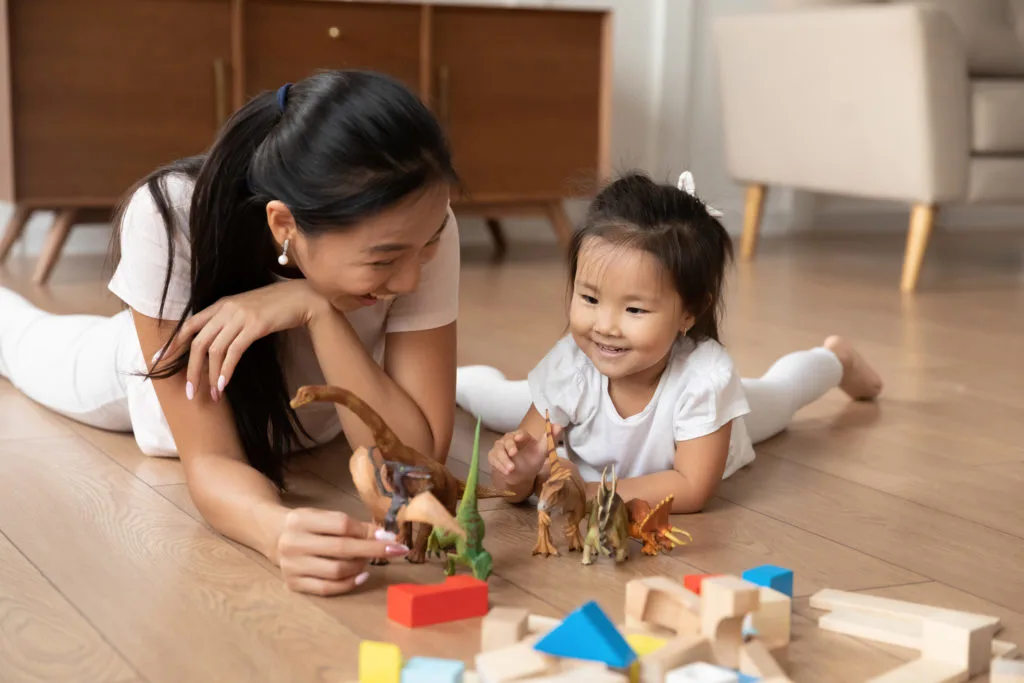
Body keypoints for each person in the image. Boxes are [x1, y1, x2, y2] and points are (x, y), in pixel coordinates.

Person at [0, 70, 463, 596]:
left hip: (315, 421)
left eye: (426, 247)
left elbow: (416, 459)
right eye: (384, 259)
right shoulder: (171, 213)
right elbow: (213, 457)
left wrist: (317, 311)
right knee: (16, 338)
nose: (409, 280)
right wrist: (276, 529)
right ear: (284, 225)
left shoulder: (421, 222)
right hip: (143, 384)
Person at [456, 171, 883, 513]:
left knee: (781, 393)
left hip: (710, 434)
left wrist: (588, 493)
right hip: (589, 429)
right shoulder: (573, 363)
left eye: (634, 310)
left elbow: (691, 487)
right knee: (498, 403)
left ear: (689, 313)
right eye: (589, 298)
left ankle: (835, 358)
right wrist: (517, 476)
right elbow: (517, 490)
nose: (604, 325)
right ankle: (454, 380)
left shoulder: (705, 382)